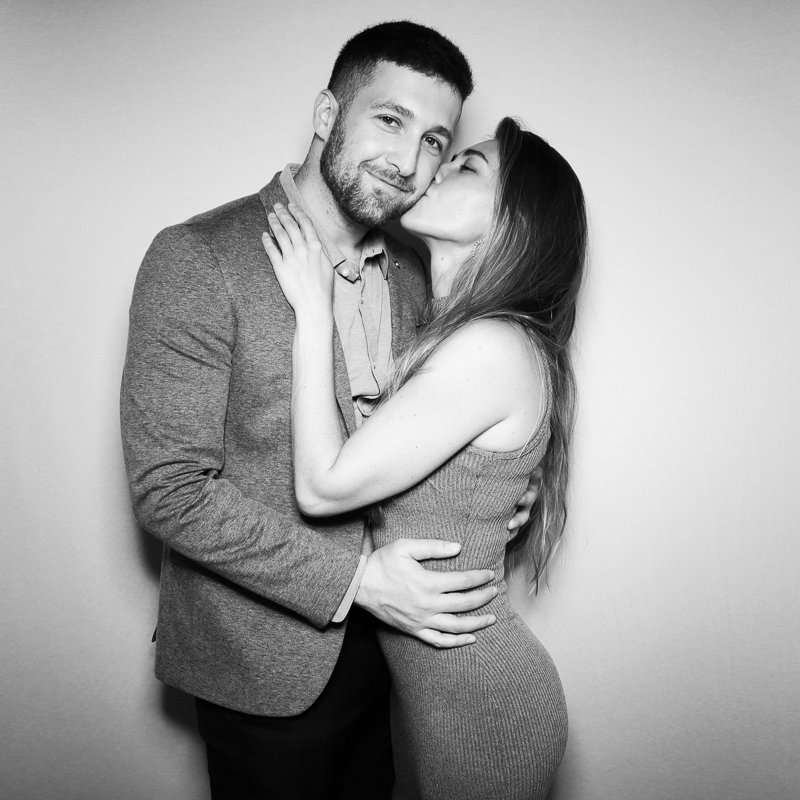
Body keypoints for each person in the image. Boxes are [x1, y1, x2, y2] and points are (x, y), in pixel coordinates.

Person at [121, 21, 539, 800]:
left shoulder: (421, 277)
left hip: (395, 659)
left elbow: (418, 450)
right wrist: (355, 580)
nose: (410, 163)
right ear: (325, 115)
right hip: (263, 665)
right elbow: (170, 489)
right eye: (390, 120)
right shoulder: (198, 258)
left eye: (436, 142)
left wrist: (493, 495)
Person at [263, 116, 587, 799]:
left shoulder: (491, 346)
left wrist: (313, 317)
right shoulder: (451, 332)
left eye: (466, 166)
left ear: (514, 222)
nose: (432, 168)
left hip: (482, 702)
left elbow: (323, 488)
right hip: (432, 694)